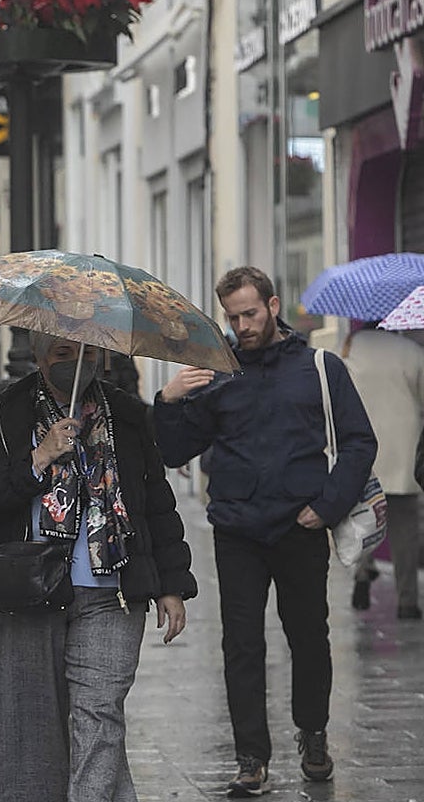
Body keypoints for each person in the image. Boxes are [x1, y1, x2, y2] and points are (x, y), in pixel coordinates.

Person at [153, 266, 376, 796]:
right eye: (232, 317)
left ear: (274, 306)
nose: (242, 325)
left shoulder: (320, 368)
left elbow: (359, 442)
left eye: (250, 313)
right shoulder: (217, 373)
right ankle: (251, 757)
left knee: (309, 637)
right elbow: (173, 451)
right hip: (237, 530)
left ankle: (313, 734)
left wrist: (326, 506)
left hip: (300, 526)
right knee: (242, 645)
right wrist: (168, 400)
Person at [0, 332, 196, 802]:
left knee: (100, 712)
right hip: (28, 590)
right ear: (38, 354)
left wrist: (172, 583)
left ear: (103, 356)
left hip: (111, 590)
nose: (76, 364)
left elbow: (155, 501)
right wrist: (40, 457)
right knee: (30, 724)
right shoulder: (6, 415)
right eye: (62, 353)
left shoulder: (127, 416)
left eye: (86, 353)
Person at [343, 322, 424, 619]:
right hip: (404, 454)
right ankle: (407, 601)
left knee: (364, 521)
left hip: (364, 452)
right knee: (405, 534)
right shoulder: (412, 352)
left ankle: (362, 576)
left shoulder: (352, 348)